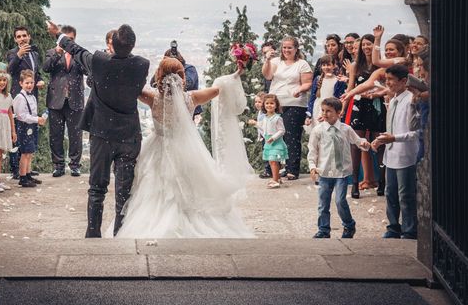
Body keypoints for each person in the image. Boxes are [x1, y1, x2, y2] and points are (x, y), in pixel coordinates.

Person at [114, 57, 254, 238]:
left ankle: (152, 221)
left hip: (157, 148)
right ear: (183, 78)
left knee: (154, 187)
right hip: (185, 149)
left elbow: (131, 88)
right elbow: (218, 90)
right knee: (190, 185)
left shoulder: (152, 98)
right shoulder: (192, 98)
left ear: (159, 76)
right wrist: (236, 73)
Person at [47, 21, 149, 238]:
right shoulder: (142, 64)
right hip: (129, 136)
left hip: (102, 133)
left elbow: (76, 50)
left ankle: (93, 233)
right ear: (132, 45)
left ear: (112, 44)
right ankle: (121, 233)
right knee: (124, 191)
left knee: (97, 188)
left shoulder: (100, 62)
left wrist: (58, 34)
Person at [308, 97, 370, 238]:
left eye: (329, 111)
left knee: (340, 200)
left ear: (338, 113)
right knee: (323, 204)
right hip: (324, 172)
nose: (325, 114)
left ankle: (349, 225)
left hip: (341, 173)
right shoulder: (318, 130)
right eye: (323, 110)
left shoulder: (346, 129)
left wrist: (364, 144)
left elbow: (358, 141)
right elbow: (313, 150)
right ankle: (324, 230)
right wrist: (312, 166)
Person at [371, 64, 420, 239]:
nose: (388, 83)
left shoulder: (411, 101)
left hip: (406, 154)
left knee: (406, 195)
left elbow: (417, 132)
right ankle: (393, 226)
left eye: (391, 80)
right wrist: (380, 140)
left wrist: (395, 138)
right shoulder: (392, 101)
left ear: (404, 81)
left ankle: (410, 229)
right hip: (390, 154)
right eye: (387, 79)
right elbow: (391, 127)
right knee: (390, 193)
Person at [262, 36, 313, 180]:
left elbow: (308, 83)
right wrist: (267, 60)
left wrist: (299, 90)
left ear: (296, 49)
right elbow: (267, 75)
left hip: (294, 103)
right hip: (276, 103)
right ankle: (273, 169)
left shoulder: (302, 64)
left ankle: (292, 169)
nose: (286, 50)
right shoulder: (276, 62)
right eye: (284, 47)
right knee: (272, 134)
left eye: (289, 47)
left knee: (291, 136)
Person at [344, 34, 387, 198]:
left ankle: (382, 183)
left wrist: (376, 94)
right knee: (356, 144)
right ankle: (355, 183)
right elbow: (351, 86)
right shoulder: (356, 65)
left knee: (380, 143)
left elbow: (385, 85)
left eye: (369, 45)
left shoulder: (380, 65)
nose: (366, 48)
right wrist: (343, 106)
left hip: (377, 105)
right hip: (359, 105)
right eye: (364, 45)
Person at [43, 25, 85, 177]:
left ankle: (75, 165)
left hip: (75, 99)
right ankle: (58, 165)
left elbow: (88, 70)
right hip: (56, 100)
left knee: (76, 134)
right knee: (56, 134)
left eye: (71, 39)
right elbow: (46, 68)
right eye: (66, 39)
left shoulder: (79, 54)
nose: (68, 42)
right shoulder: (51, 52)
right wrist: (57, 53)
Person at [6, 26, 44, 179]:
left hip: (32, 96)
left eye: (24, 36)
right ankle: (16, 169)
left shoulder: (34, 54)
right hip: (18, 97)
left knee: (29, 135)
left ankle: (26, 169)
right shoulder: (12, 53)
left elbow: (37, 73)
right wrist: (19, 56)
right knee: (18, 133)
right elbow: (10, 70)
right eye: (19, 36)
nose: (22, 39)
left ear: (29, 37)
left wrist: (39, 80)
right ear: (15, 39)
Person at [12, 70, 47, 188]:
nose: (30, 85)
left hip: (31, 126)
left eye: (31, 82)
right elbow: (21, 115)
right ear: (21, 83)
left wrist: (39, 120)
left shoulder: (32, 96)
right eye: (27, 83)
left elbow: (33, 112)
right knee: (25, 153)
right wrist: (37, 119)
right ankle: (22, 177)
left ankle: (27, 174)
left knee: (30, 152)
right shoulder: (20, 97)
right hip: (24, 127)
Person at [249, 94, 288, 189]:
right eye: (267, 103)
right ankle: (277, 178)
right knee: (271, 162)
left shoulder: (277, 118)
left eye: (272, 103)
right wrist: (255, 124)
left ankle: (275, 181)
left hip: (275, 142)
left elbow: (282, 130)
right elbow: (263, 127)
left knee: (273, 161)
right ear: (264, 105)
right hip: (268, 142)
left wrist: (273, 138)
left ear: (276, 105)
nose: (269, 105)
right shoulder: (265, 117)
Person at [305, 54, 348, 133]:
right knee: (318, 133)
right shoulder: (317, 79)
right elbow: (312, 98)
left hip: (332, 110)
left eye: (328, 65)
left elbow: (339, 99)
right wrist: (309, 115)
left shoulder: (338, 81)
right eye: (323, 65)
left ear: (334, 65)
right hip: (318, 109)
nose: (326, 67)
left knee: (330, 132)